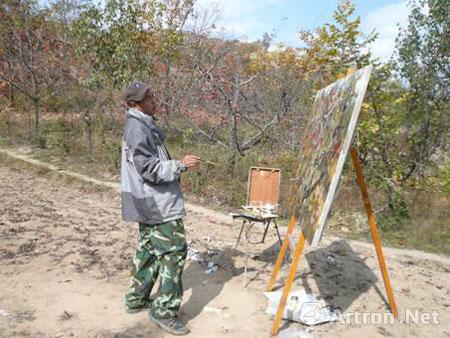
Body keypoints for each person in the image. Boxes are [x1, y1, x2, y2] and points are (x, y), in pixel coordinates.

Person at [121, 80, 200, 335]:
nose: (155, 101)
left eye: (153, 96)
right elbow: (150, 170)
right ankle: (164, 312)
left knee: (148, 250)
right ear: (135, 104)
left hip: (148, 202)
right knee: (174, 253)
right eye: (149, 98)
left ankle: (137, 298)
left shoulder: (141, 124)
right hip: (157, 204)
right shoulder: (138, 128)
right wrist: (180, 165)